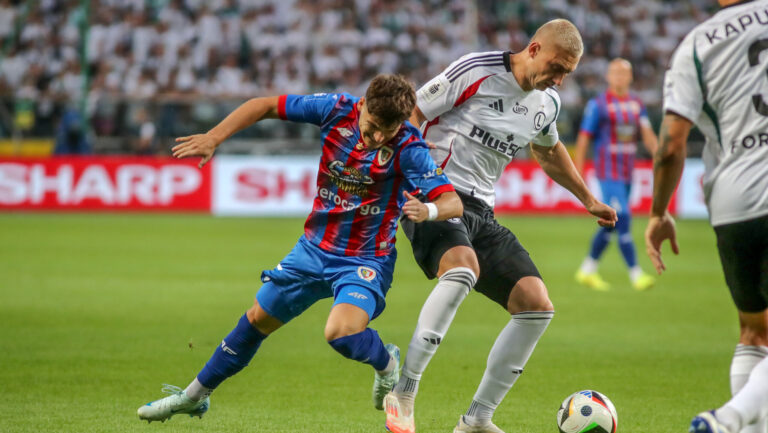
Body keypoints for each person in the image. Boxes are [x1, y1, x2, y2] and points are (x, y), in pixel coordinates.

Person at [136, 74, 463, 423]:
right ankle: (193, 398)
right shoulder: (335, 109)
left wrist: (427, 210)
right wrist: (214, 137)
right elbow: (263, 106)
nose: (379, 137)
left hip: (365, 258)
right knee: (255, 321)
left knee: (340, 333)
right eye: (373, 126)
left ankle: (386, 362)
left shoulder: (409, 147)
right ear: (362, 104)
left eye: (389, 129)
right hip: (313, 249)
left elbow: (452, 202)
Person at [382, 19, 617, 433]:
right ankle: (403, 392)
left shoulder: (547, 103)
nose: (559, 80)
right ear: (533, 49)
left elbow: (547, 150)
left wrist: (588, 199)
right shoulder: (476, 70)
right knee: (462, 269)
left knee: (536, 303)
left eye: (568, 73)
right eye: (556, 67)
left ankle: (477, 419)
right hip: (436, 194)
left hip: (482, 212)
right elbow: (415, 112)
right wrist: (411, 177)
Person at [644, 1, 768, 433]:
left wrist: (659, 211)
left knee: (755, 331)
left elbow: (672, 144)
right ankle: (729, 417)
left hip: (733, 202)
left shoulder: (695, 45)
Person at [573, 58, 659, 291]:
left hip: (627, 172)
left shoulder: (636, 104)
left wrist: (660, 156)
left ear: (630, 77)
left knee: (611, 222)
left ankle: (587, 269)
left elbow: (647, 133)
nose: (620, 77)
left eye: (624, 73)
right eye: (616, 73)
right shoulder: (598, 104)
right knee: (623, 215)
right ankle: (636, 274)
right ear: (608, 77)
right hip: (606, 171)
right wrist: (577, 174)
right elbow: (583, 138)